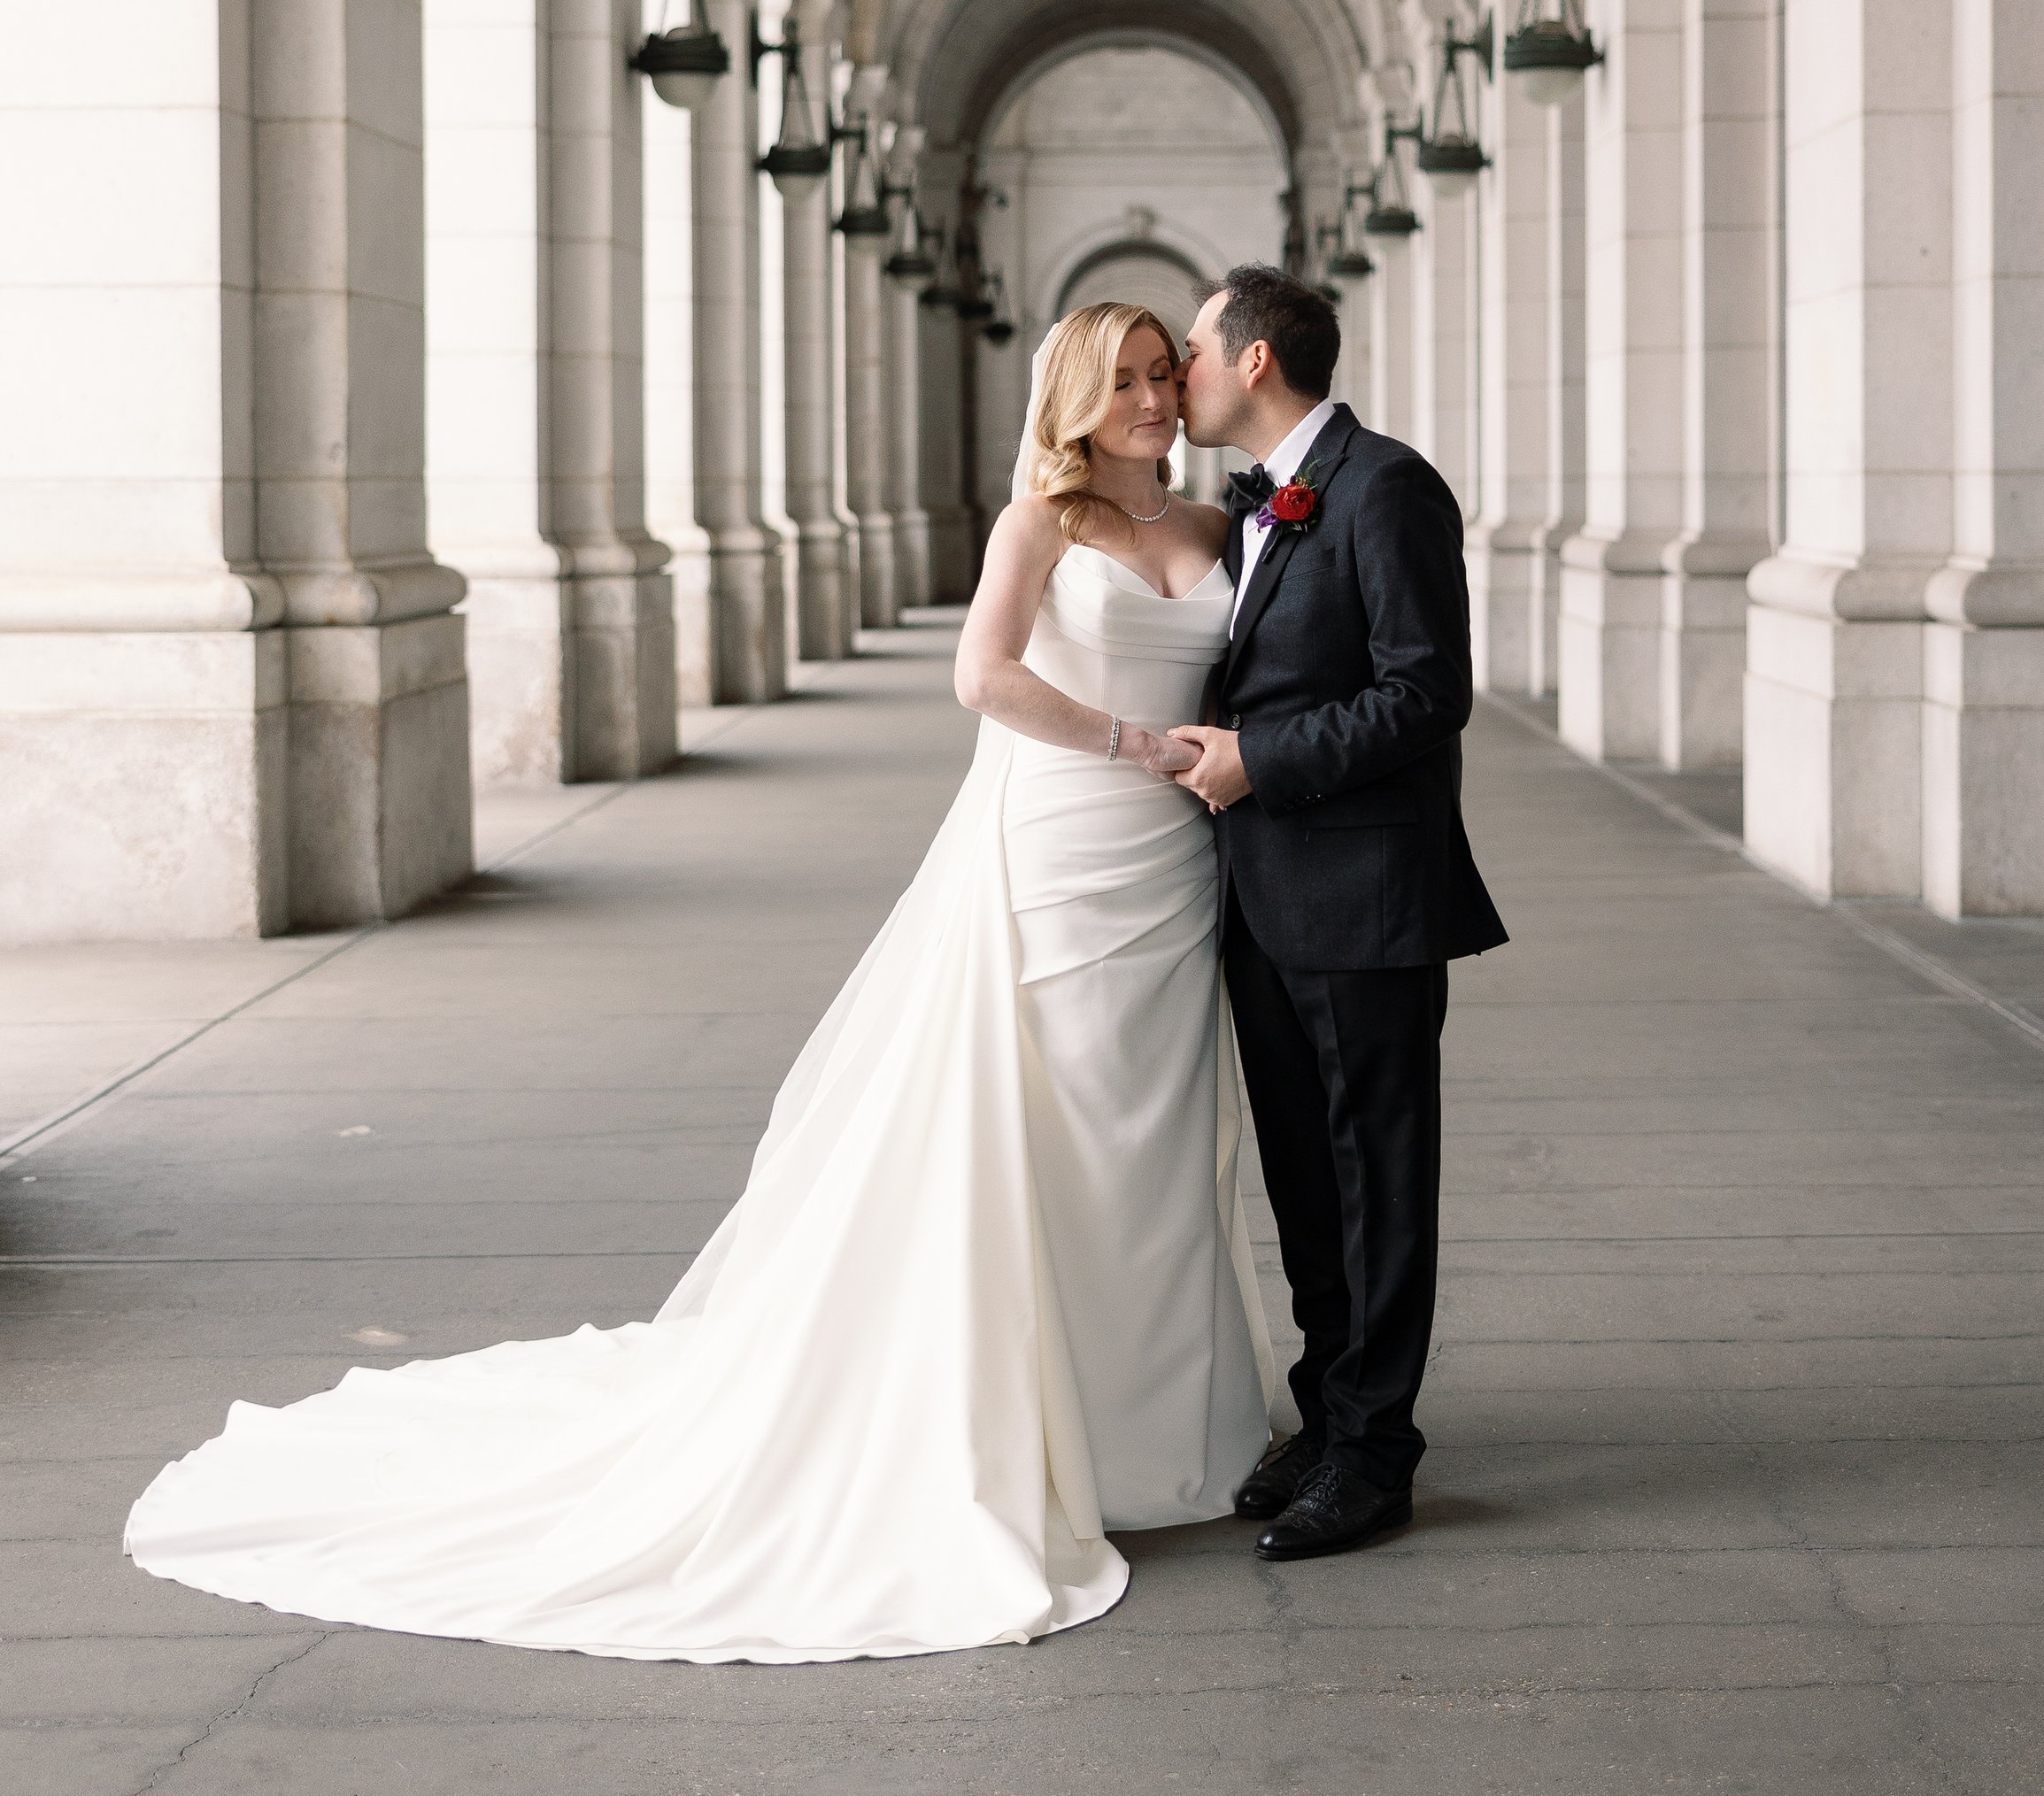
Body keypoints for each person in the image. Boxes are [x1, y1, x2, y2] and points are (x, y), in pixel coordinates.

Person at [124, 304, 1271, 1667]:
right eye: (1123, 381)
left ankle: (1148, 1428)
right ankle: (1025, 1425)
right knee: (1051, 1128)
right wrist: (1130, 738)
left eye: (1160, 375)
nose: (1148, 398)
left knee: (1152, 1138)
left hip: (1172, 872)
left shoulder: (1217, 532)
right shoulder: (1041, 524)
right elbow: (983, 675)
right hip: (1061, 849)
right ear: (1076, 400)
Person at [1175, 264, 1508, 1561]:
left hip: (1367, 893)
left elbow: (1428, 690)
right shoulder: (1244, 506)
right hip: (1261, 900)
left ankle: (1377, 1454)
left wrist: (1263, 756)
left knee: (1381, 1175)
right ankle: (1326, 1412)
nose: (1183, 370)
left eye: (1194, 348)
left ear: (1255, 358)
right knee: (1308, 1179)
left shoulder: (1388, 485)